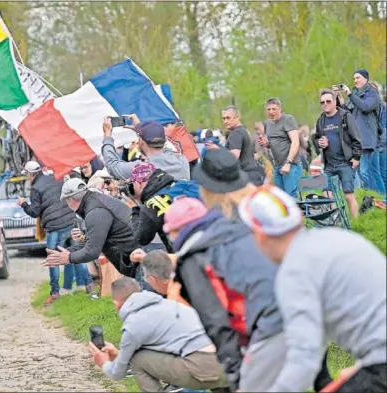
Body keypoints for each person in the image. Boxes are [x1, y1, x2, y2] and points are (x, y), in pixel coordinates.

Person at [164, 196, 332, 391]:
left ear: (179, 230)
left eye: (171, 233)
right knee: (322, 381)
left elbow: (216, 321)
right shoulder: (244, 232)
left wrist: (236, 377)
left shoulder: (195, 259)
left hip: (272, 328)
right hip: (310, 308)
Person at [239, 185, 386, 392]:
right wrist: (362, 367)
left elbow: (304, 357)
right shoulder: (335, 238)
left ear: (260, 236)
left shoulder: (294, 270)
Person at [88, 277, 229, 392]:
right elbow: (161, 355)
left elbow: (116, 373)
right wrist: (120, 354)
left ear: (116, 304)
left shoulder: (133, 325)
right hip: (230, 366)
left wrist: (103, 362)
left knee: (138, 360)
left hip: (202, 371)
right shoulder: (172, 305)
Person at [44, 178, 140, 280]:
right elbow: (90, 242)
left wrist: (68, 258)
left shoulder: (95, 211)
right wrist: (64, 253)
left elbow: (92, 251)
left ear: (70, 200)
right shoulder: (95, 202)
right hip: (137, 256)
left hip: (139, 261)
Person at [17, 161, 79, 305]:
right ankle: (87, 286)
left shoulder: (35, 189)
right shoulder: (54, 178)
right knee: (76, 255)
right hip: (70, 222)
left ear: (31, 174)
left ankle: (55, 292)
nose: (27, 177)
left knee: (54, 260)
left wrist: (23, 204)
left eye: (26, 174)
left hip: (54, 227)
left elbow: (35, 212)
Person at [313, 89, 362, 217]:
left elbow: (356, 138)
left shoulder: (345, 116)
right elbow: (316, 138)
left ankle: (356, 224)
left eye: (328, 101)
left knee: (348, 195)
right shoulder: (321, 120)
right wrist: (320, 143)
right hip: (329, 165)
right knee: (327, 195)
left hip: (345, 162)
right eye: (322, 102)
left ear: (335, 101)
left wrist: (356, 157)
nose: (325, 104)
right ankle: (337, 222)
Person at [101, 116, 190, 181]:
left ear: (142, 142)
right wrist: (142, 129)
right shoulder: (182, 160)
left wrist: (107, 135)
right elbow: (166, 147)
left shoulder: (141, 169)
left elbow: (112, 166)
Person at [341, 70, 385, 195]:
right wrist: (339, 98)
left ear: (366, 79)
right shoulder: (355, 94)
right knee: (360, 172)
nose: (355, 81)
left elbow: (365, 106)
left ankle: (372, 198)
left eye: (358, 78)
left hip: (366, 139)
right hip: (355, 140)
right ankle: (367, 198)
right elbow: (347, 112)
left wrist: (350, 94)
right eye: (354, 78)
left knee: (366, 172)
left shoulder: (373, 94)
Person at [258, 98, 302, 197]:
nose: (271, 112)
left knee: (291, 198)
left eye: (274, 109)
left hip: (291, 166)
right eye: (268, 109)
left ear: (280, 109)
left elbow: (295, 142)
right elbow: (273, 143)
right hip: (277, 166)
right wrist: (266, 144)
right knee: (280, 199)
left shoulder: (288, 119)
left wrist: (288, 163)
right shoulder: (267, 124)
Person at [218, 106, 263, 185]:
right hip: (252, 175)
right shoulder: (244, 130)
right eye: (224, 118)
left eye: (228, 118)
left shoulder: (236, 133)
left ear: (237, 117)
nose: (225, 121)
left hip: (245, 177)